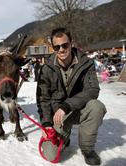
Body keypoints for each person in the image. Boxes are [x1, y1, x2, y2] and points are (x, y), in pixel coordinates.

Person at [36, 27, 107, 165]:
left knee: (96, 107)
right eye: (57, 47)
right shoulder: (46, 69)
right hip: (58, 117)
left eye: (65, 45)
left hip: (78, 108)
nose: (61, 49)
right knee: (51, 155)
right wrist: (46, 124)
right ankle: (64, 139)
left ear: (71, 43)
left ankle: (87, 149)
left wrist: (67, 106)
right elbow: (42, 98)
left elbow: (92, 90)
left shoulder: (85, 63)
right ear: (53, 48)